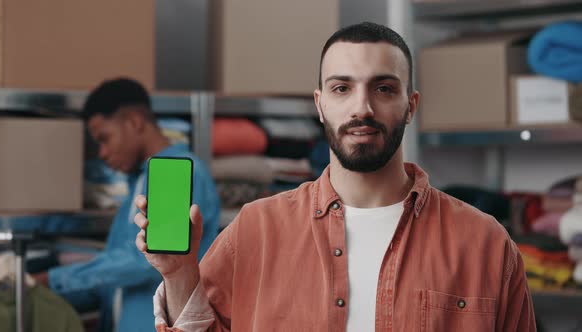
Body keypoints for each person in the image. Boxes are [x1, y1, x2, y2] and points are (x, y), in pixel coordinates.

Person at [134, 22, 536, 331]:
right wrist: (179, 275)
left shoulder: (485, 242)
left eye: (383, 88)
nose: (362, 107)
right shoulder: (255, 229)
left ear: (411, 105)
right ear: (320, 104)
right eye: (342, 88)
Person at [33, 78, 221, 332]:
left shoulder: (176, 174)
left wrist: (53, 280)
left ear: (134, 122)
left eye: (104, 138)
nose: (102, 153)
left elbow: (148, 259)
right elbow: (117, 278)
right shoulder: (138, 185)